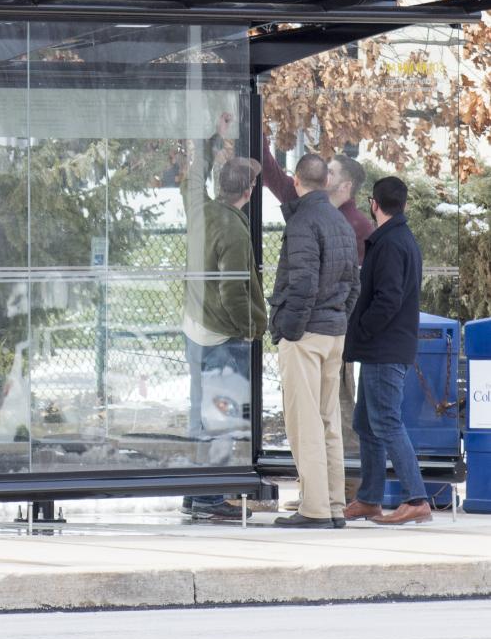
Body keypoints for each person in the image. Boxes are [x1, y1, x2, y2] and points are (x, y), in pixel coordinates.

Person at [268, 153, 360, 528]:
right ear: (325, 183)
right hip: (334, 331)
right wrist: (339, 317)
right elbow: (354, 284)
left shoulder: (304, 221)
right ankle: (335, 505)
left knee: (304, 423)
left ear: (295, 180)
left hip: (306, 334)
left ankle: (315, 509)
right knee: (328, 423)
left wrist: (290, 328)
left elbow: (302, 281)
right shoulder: (341, 222)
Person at [180, 151, 266, 521]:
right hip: (221, 335)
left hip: (195, 327)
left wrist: (213, 138)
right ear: (248, 191)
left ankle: (193, 491)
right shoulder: (232, 229)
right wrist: (251, 328)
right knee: (221, 416)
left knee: (201, 414)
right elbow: (233, 291)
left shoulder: (201, 210)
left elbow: (190, 182)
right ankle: (210, 498)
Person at [343, 176, 431, 525]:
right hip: (382, 347)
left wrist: (362, 329)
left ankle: (416, 497)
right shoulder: (396, 239)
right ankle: (369, 497)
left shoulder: (392, 243)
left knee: (386, 423)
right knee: (365, 423)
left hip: (384, 347)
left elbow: (388, 298)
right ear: (404, 204)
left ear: (374, 204)